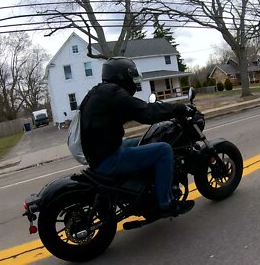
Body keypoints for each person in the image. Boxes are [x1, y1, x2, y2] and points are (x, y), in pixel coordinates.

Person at [80, 57, 195, 217]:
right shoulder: (114, 93)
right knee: (164, 150)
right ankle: (166, 203)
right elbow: (145, 112)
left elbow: (123, 113)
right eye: (131, 76)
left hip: (100, 154)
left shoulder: (99, 92)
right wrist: (176, 109)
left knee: (145, 140)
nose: (133, 81)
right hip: (109, 158)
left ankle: (147, 187)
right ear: (121, 76)